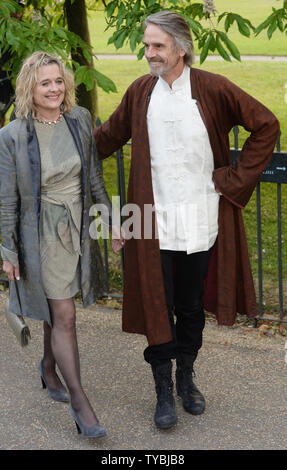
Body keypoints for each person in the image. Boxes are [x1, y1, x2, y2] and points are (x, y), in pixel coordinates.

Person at [94, 11, 280, 430]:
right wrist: (60, 134)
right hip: (150, 221)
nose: (149, 53)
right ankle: (162, 388)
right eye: (146, 45)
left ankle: (186, 378)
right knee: (157, 304)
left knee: (191, 306)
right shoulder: (141, 92)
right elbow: (104, 140)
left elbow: (266, 125)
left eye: (157, 45)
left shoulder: (211, 88)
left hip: (200, 217)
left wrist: (231, 179)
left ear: (181, 48)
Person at [0, 51, 111, 439]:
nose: (53, 89)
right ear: (29, 87)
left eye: (58, 81)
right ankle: (81, 405)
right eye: (44, 82)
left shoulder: (79, 120)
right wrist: (8, 251)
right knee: (64, 313)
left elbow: (94, 175)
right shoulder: (13, 135)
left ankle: (49, 368)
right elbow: (8, 199)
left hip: (77, 225)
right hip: (41, 234)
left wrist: (109, 219)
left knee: (59, 300)